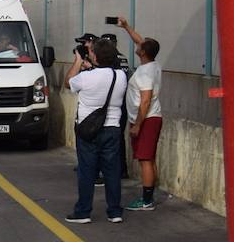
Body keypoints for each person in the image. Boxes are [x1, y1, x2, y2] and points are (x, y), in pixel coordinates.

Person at [64, 39, 128, 225]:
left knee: (86, 171)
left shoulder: (86, 77)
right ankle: (114, 211)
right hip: (113, 128)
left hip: (88, 129)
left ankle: (83, 211)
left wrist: (77, 61)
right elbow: (106, 74)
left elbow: (68, 82)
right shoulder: (120, 76)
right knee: (112, 171)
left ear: (95, 56)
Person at [118, 17, 163, 211]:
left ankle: (146, 201)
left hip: (146, 119)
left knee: (145, 158)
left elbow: (145, 100)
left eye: (141, 45)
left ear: (143, 52)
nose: (138, 43)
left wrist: (137, 124)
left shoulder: (145, 73)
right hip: (150, 117)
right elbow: (139, 40)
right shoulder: (153, 64)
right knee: (149, 158)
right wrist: (127, 27)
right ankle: (149, 195)